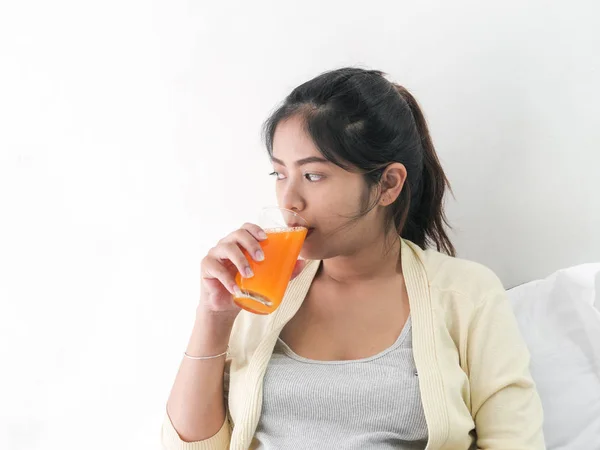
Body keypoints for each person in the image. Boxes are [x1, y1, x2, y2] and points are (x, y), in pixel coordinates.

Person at [161, 67, 545, 450]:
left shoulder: (467, 294)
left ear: (388, 184)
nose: (289, 201)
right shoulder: (258, 292)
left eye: (312, 176)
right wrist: (213, 317)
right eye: (280, 174)